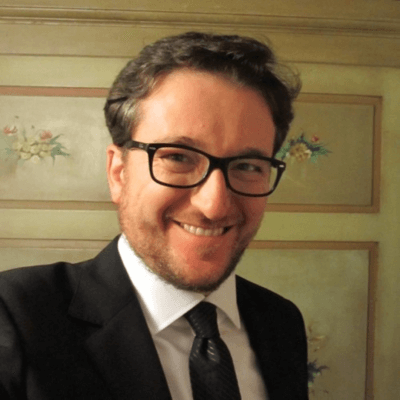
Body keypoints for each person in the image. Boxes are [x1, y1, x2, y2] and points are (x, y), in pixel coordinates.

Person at [0, 32, 308, 399]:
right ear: (119, 173)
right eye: (177, 157)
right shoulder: (14, 316)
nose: (215, 206)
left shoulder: (281, 321)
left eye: (247, 165)